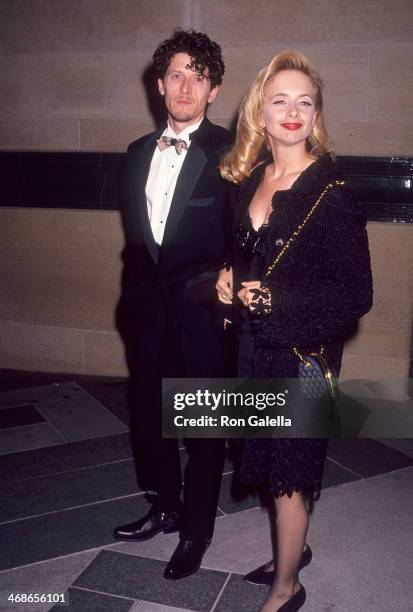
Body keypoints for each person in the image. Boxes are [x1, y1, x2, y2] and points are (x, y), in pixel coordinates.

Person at [217, 51, 373, 611]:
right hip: (255, 348)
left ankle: (288, 588)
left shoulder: (333, 193)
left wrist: (277, 301)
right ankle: (293, 550)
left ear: (316, 115)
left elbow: (357, 295)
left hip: (304, 356)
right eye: (279, 99)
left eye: (304, 101)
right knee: (265, 458)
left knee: (289, 474)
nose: (292, 110)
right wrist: (228, 273)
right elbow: (250, 250)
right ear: (260, 113)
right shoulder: (255, 178)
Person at [114, 29, 232, 580]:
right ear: (161, 85)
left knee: (203, 424)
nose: (187, 85)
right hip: (147, 313)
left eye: (199, 75)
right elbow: (138, 241)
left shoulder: (232, 153)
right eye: (178, 74)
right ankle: (164, 505)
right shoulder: (137, 153)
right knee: (151, 416)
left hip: (203, 317)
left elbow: (244, 239)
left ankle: (196, 530)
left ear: (213, 91)